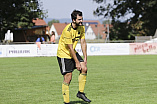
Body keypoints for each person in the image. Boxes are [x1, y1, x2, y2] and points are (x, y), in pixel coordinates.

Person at [57, 10, 91, 104]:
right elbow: (70, 48)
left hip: (72, 52)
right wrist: (76, 62)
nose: (81, 21)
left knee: (84, 68)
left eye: (82, 19)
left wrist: (85, 58)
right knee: (68, 77)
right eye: (79, 19)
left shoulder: (82, 28)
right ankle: (66, 102)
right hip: (64, 54)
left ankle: (80, 93)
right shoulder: (67, 31)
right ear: (73, 20)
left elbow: (83, 42)